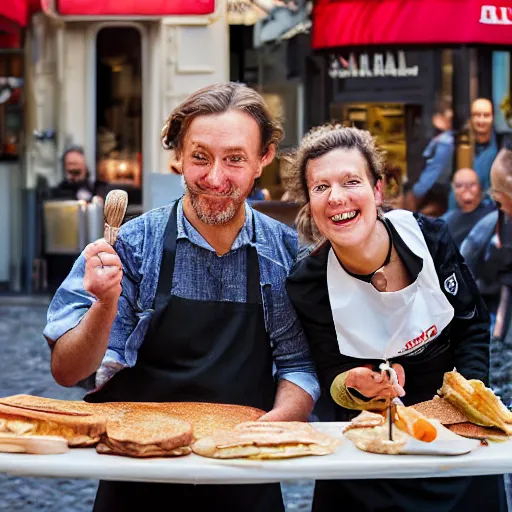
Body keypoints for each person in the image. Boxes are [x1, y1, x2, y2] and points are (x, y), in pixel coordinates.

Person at [43, 82, 320, 512]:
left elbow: (298, 365)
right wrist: (104, 304)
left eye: (234, 159)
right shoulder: (132, 246)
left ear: (263, 159)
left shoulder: (283, 252)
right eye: (200, 157)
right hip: (137, 484)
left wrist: (263, 432)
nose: (214, 178)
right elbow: (68, 370)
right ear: (179, 157)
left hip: (244, 481)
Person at [285, 124, 506, 512]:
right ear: (309, 205)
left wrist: (467, 408)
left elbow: (472, 326)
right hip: (370, 460)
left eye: (351, 181)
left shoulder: (431, 237)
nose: (337, 197)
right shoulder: (308, 284)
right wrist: (356, 384)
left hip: (459, 446)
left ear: (377, 190)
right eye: (321, 187)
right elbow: (331, 377)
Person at [407, 97, 454, 216]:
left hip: (437, 193)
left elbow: (434, 170)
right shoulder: (440, 139)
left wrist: (415, 192)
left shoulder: (445, 142)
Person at [442, 168, 495, 247]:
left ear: (480, 187)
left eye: (471, 185)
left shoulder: (493, 214)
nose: (466, 190)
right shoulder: (447, 220)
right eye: (459, 186)